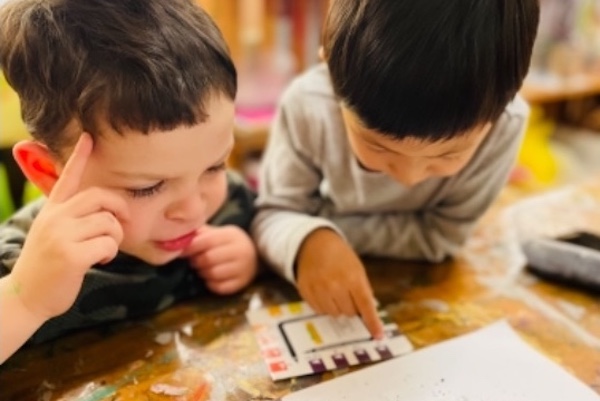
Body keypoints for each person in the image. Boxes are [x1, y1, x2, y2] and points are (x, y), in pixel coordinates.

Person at [252, 0, 540, 338]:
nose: (409, 176)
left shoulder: (504, 125)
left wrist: (327, 228)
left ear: (506, 102)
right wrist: (306, 243)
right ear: (330, 70)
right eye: (378, 147)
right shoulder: (307, 108)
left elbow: (443, 235)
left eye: (447, 155)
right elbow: (272, 214)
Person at [0, 0, 258, 363]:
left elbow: (280, 221)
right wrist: (25, 301)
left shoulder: (230, 205)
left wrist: (253, 256)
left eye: (215, 166)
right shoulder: (25, 265)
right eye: (147, 187)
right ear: (49, 172)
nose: (193, 208)